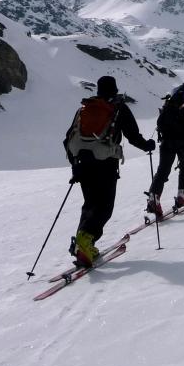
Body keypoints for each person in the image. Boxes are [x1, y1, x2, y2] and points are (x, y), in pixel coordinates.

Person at [64, 75, 155, 267]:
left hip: (83, 163)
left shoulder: (85, 108)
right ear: (114, 89)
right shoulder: (118, 107)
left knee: (90, 204)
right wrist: (148, 145)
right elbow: (132, 136)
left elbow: (68, 137)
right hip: (105, 163)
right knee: (104, 206)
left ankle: (84, 244)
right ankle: (85, 240)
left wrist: (75, 165)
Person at [147, 81, 184, 216]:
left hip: (167, 142)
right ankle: (182, 195)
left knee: (162, 171)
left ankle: (154, 198)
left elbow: (159, 123)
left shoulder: (169, 104)